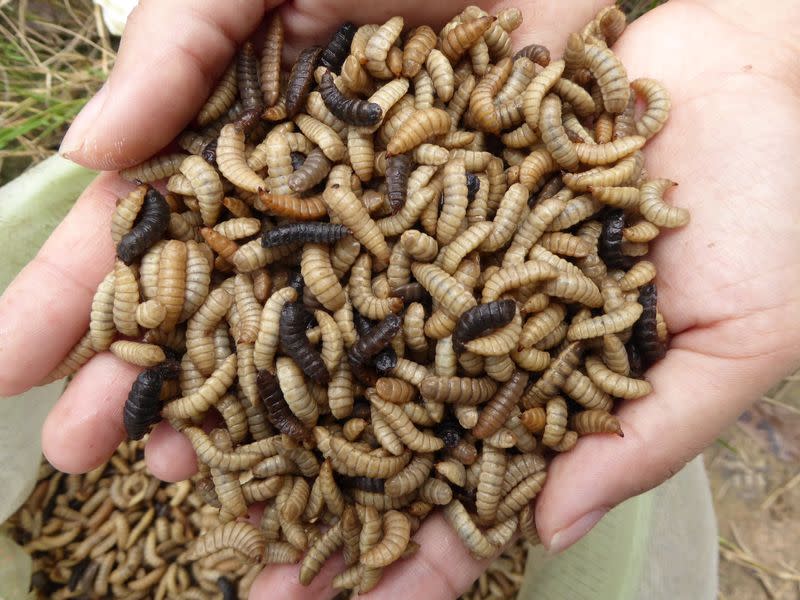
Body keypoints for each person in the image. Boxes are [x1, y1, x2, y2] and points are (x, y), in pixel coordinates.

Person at [1, 0, 799, 597]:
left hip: (429, 302)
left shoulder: (493, 220)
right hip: (376, 315)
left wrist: (771, 42)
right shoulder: (286, 226)